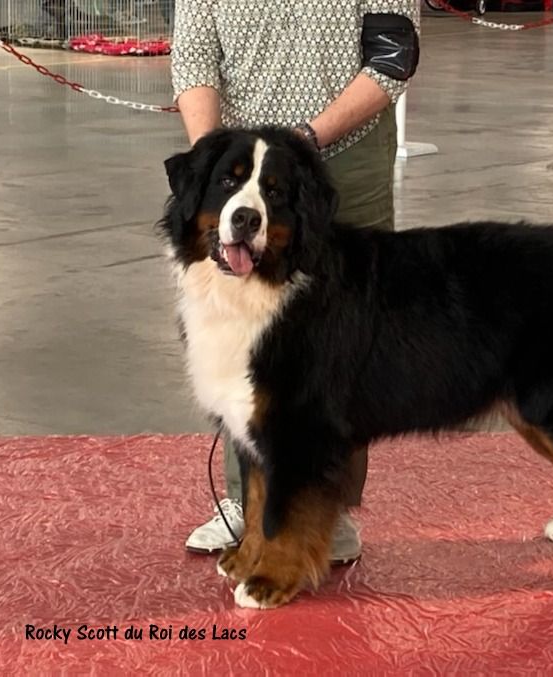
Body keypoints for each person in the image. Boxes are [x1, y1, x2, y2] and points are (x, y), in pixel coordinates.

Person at [169, 0, 421, 562]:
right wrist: (213, 164)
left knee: (345, 350)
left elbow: (391, 55)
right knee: (239, 347)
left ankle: (326, 509)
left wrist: (306, 141)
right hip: (237, 161)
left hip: (343, 156)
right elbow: (193, 58)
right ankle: (249, 504)